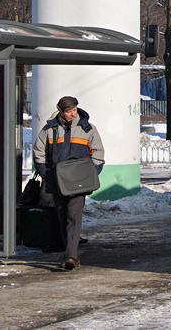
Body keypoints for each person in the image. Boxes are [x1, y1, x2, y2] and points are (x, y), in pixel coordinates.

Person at [33, 96, 104, 271]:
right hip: (58, 182)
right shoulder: (49, 129)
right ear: (61, 111)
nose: (72, 114)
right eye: (68, 111)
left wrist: (91, 175)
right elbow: (38, 153)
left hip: (79, 183)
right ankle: (72, 252)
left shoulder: (88, 129)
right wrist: (47, 176)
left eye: (74, 110)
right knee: (62, 217)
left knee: (74, 216)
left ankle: (70, 256)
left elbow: (98, 153)